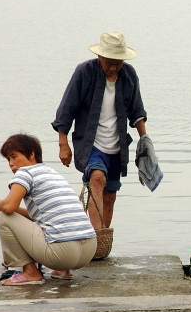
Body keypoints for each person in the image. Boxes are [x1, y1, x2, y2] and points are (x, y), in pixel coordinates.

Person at [51, 31, 148, 236]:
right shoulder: (85, 72)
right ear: (100, 57)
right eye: (109, 62)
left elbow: (137, 111)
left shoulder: (129, 75)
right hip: (90, 143)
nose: (113, 67)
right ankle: (93, 237)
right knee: (97, 178)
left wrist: (145, 140)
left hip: (117, 145)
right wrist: (63, 144)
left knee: (110, 193)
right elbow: (66, 109)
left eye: (118, 62)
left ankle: (102, 239)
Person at [0, 134, 97, 284]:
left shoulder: (25, 173)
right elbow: (40, 217)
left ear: (31, 154)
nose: (11, 163)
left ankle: (30, 272)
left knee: (3, 217)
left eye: (14, 156)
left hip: (62, 254)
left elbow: (9, 207)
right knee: (25, 217)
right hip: (88, 249)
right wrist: (7, 209)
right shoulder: (53, 173)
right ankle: (63, 272)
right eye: (8, 159)